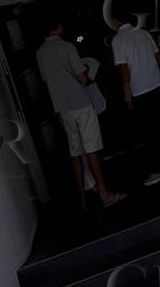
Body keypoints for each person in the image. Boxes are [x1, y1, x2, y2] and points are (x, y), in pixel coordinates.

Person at [34, 14, 126, 211]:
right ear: (58, 27)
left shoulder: (40, 52)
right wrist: (84, 69)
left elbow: (45, 81)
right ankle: (104, 195)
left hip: (62, 108)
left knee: (75, 152)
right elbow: (83, 80)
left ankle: (83, 200)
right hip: (81, 104)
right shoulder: (67, 47)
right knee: (91, 149)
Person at [109, 13, 160, 185]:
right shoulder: (143, 33)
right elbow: (158, 55)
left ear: (115, 20)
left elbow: (123, 69)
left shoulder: (118, 40)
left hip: (139, 91)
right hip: (157, 84)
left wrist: (127, 95)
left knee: (151, 132)